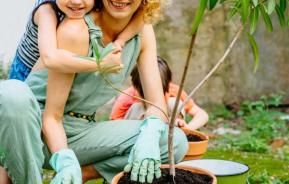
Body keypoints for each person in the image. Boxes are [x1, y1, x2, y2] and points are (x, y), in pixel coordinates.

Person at [0, 0, 188, 183]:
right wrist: (64, 159)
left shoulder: (142, 31)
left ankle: (82, 175)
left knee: (175, 142)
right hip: (34, 129)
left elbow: (156, 103)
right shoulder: (75, 30)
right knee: (13, 94)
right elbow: (52, 117)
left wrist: (150, 136)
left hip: (81, 129)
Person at [8, 0, 145, 81]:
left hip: (63, 68)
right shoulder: (46, 10)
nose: (76, 2)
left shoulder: (95, 3)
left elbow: (142, 16)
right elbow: (49, 58)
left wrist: (120, 41)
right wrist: (102, 64)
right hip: (27, 72)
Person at [110, 56, 209, 130]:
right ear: (135, 86)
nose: (151, 97)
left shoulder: (173, 91)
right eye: (146, 95)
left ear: (167, 85)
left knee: (173, 103)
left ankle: (176, 131)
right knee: (137, 108)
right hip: (136, 132)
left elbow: (202, 114)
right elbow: (113, 127)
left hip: (170, 131)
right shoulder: (127, 97)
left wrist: (188, 128)